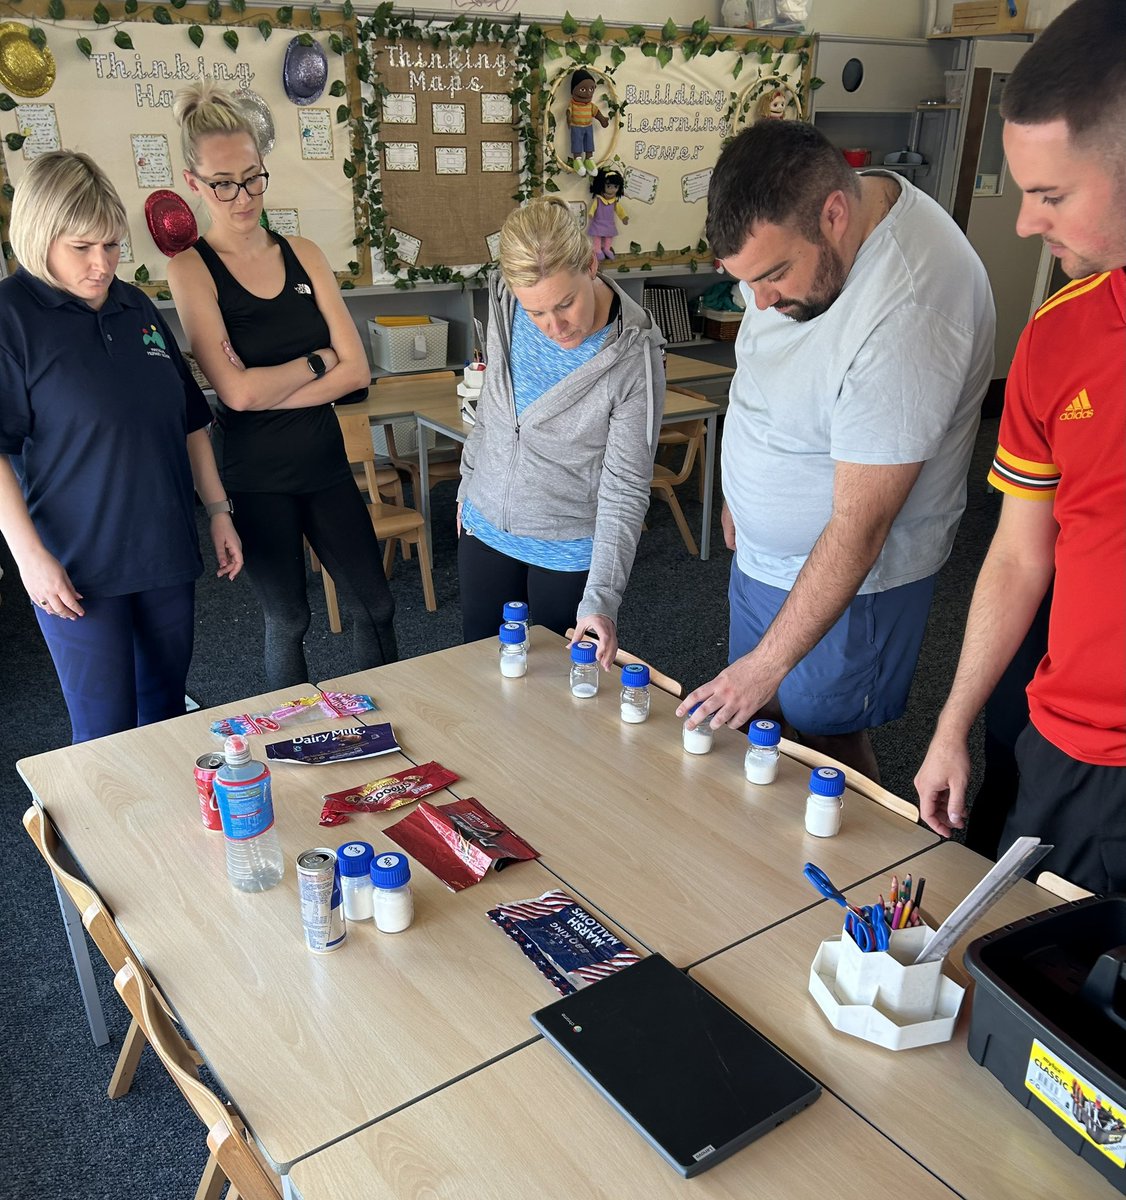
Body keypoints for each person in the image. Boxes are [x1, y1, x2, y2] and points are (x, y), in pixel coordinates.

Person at [678, 120, 994, 780]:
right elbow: (760, 361)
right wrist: (742, 493)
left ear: (835, 213)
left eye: (771, 277)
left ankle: (852, 879)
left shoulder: (911, 304)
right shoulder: (798, 240)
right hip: (768, 557)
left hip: (860, 576)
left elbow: (861, 526)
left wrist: (763, 667)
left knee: (826, 745)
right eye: (745, 282)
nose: (758, 301)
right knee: (767, 729)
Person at [915, 0, 1126, 895]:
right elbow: (1018, 552)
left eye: (1051, 195)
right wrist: (953, 723)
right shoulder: (1057, 336)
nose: (1026, 224)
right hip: (1072, 755)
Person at [0, 150, 241, 743]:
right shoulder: (12, 316)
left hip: (162, 549)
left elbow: (189, 420)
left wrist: (218, 512)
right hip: (76, 565)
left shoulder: (136, 305)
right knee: (103, 734)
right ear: (40, 237)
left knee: (163, 718)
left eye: (111, 246)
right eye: (81, 248)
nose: (101, 264)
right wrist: (30, 558)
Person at [168, 79, 398, 691]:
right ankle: (289, 748)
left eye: (253, 177)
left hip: (324, 464)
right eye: (223, 184)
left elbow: (359, 372)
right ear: (194, 183)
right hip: (257, 477)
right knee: (289, 618)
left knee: (376, 605)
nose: (243, 196)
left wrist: (271, 382)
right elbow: (235, 396)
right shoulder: (189, 269)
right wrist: (318, 361)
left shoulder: (304, 253)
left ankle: (389, 730)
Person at [457, 197, 666, 668]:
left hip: (568, 551)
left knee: (555, 697)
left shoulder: (633, 356)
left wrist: (601, 600)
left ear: (591, 264)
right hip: (485, 527)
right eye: (537, 313)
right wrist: (468, 485)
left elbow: (626, 488)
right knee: (480, 677)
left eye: (566, 303)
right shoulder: (508, 300)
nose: (555, 327)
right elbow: (493, 407)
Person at [588, 168, 628, 262]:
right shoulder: (598, 200)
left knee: (609, 236)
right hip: (598, 222)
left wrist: (624, 217)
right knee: (597, 236)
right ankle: (597, 249)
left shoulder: (614, 202)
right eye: (609, 186)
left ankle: (606, 248)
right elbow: (593, 208)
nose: (612, 190)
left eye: (615, 187)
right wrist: (591, 214)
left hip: (609, 223)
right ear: (602, 186)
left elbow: (620, 210)